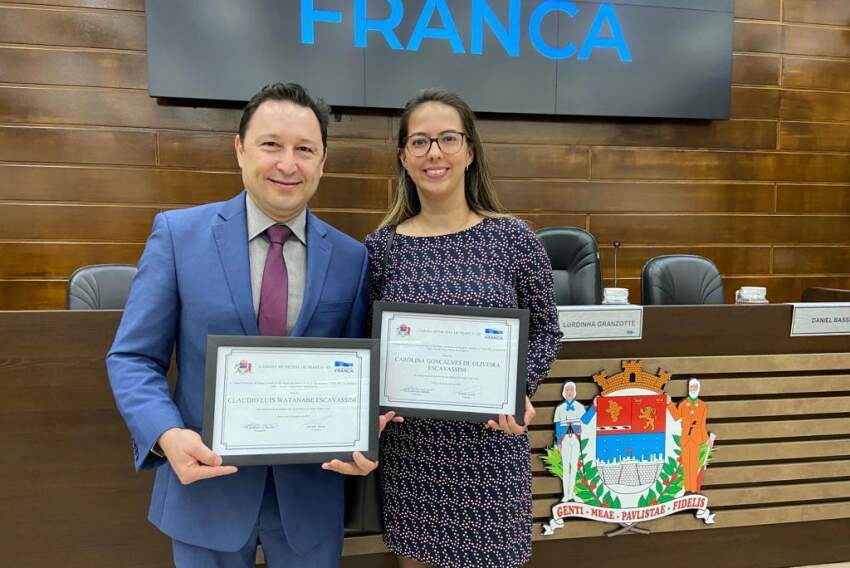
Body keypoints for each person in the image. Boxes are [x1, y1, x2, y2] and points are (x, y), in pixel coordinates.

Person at [107, 82, 393, 567]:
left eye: (305, 149)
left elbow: (355, 372)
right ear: (240, 149)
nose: (288, 163)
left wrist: (364, 438)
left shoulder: (351, 257)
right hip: (205, 488)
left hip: (309, 500)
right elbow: (133, 357)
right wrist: (167, 435)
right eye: (271, 145)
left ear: (322, 162)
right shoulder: (179, 236)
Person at [365, 89, 562, 568]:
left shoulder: (513, 238)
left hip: (491, 450)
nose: (434, 152)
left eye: (448, 139)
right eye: (420, 142)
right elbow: (366, 345)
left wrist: (520, 388)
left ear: (470, 152)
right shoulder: (380, 248)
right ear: (403, 158)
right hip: (414, 457)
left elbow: (546, 331)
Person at [667, 378, 710, 493]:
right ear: (688, 388)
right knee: (686, 465)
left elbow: (702, 424)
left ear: (699, 388)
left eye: (695, 387)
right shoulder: (683, 404)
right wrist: (669, 403)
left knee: (695, 464)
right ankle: (687, 489)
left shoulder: (702, 406)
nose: (693, 389)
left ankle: (694, 489)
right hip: (685, 438)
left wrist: (706, 439)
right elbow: (676, 417)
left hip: (696, 438)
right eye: (691, 387)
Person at [553, 381, 588, 502]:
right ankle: (566, 494)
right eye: (567, 390)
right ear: (564, 392)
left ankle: (572, 493)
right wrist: (558, 442)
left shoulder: (580, 407)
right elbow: (557, 426)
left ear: (575, 392)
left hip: (575, 439)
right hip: (565, 439)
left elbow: (586, 422)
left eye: (571, 390)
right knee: (565, 467)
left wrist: (594, 408)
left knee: (574, 467)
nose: (569, 392)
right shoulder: (559, 408)